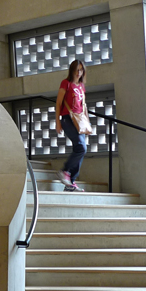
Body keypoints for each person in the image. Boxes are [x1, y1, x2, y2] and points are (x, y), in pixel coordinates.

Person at [55, 60, 88, 192]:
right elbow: (58, 103)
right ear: (72, 70)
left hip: (80, 120)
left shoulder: (81, 86)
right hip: (67, 118)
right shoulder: (66, 83)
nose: (78, 72)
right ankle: (64, 171)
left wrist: (87, 124)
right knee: (81, 148)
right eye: (76, 69)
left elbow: (84, 106)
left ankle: (71, 183)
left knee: (79, 149)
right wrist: (57, 122)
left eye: (81, 70)